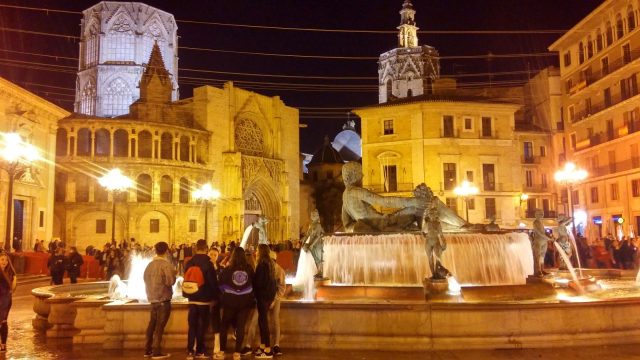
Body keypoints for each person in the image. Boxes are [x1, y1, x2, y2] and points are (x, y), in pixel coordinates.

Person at [184, 239, 219, 359]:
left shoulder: (189, 262)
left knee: (192, 325)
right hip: (203, 299)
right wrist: (215, 297)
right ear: (206, 249)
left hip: (191, 297)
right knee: (202, 326)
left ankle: (189, 351)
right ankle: (200, 350)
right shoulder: (208, 263)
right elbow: (212, 283)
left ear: (196, 248)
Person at [218, 247, 255, 360]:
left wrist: (229, 292)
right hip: (244, 302)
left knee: (224, 326)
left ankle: (222, 351)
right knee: (241, 327)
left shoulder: (228, 269)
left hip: (230, 301)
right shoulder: (249, 269)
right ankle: (237, 352)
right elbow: (254, 284)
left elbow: (221, 284)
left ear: (233, 256)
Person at [143, 241, 176, 359]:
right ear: (166, 251)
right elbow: (170, 281)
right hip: (163, 300)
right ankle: (156, 352)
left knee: (151, 325)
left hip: (152, 300)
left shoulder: (149, 265)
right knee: (159, 327)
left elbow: (145, 279)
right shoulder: (166, 265)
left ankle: (147, 350)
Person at [253, 244, 277, 359]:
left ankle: (267, 350)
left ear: (261, 251)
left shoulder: (262, 264)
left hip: (262, 297)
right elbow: (273, 283)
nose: (256, 252)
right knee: (261, 321)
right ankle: (263, 346)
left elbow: (259, 282)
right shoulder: (270, 263)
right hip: (268, 297)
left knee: (263, 322)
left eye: (257, 250)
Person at [269, 250, 286, 356]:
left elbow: (281, 287)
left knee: (275, 321)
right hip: (265, 299)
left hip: (275, 299)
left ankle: (276, 344)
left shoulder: (279, 270)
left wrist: (275, 299)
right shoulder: (263, 269)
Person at [0, 252, 16, 352]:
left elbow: (13, 288)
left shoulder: (10, 273)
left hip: (6, 300)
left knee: (3, 321)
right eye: (2, 259)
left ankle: (3, 344)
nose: (4, 262)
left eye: (6, 260)